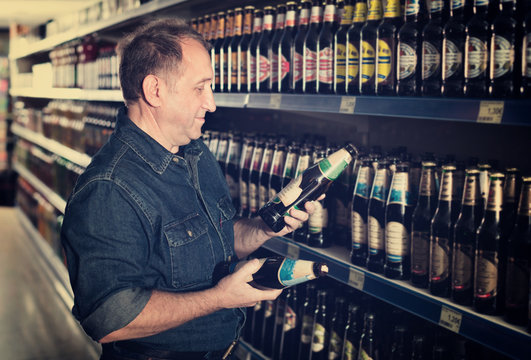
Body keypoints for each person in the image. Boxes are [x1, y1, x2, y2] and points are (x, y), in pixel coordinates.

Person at [61, 19, 318, 360]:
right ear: (155, 90)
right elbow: (109, 319)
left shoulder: (195, 153)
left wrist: (264, 228)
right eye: (200, 88)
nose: (211, 103)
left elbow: (214, 242)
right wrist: (219, 298)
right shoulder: (110, 188)